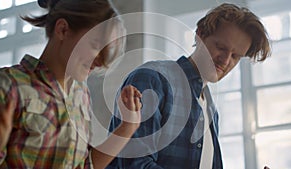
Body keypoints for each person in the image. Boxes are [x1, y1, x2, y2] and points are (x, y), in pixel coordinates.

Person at [107, 3, 271, 169]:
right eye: (220, 47)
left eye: (235, 56)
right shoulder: (153, 79)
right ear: (200, 34)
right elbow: (134, 164)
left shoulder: (211, 109)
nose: (226, 60)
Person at [0, 0, 142, 168]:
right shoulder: (6, 87)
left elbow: (83, 165)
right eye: (95, 45)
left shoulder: (81, 95)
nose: (100, 62)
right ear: (63, 30)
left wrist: (127, 127)